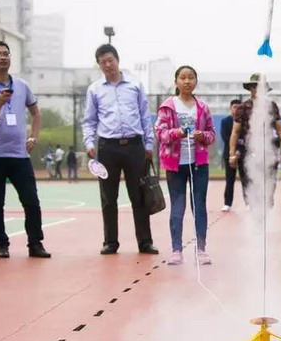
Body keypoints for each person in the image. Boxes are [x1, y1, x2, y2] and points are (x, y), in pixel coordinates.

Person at [0, 41, 50, 258]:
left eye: (5, 53)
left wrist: (33, 136)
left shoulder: (22, 86)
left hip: (19, 156)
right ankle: (1, 244)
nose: (2, 57)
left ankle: (35, 243)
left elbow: (36, 113)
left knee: (31, 201)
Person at [82, 44, 158, 255]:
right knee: (108, 197)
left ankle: (145, 242)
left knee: (139, 196)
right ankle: (110, 242)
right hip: (107, 148)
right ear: (99, 65)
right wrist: (89, 143)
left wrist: (148, 144)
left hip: (134, 146)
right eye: (102, 62)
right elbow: (88, 120)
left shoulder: (135, 85)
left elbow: (145, 116)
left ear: (117, 60)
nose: (107, 65)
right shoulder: (95, 89)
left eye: (110, 60)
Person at [155, 65, 215, 266]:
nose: (187, 81)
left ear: (196, 82)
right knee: (177, 208)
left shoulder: (203, 108)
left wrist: (202, 136)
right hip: (175, 165)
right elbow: (160, 134)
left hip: (198, 164)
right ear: (176, 82)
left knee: (199, 207)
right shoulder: (168, 106)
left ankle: (201, 249)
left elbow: (211, 135)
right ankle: (176, 249)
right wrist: (177, 133)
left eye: (191, 77)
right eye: (183, 77)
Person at [228, 73, 281, 207]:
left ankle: (267, 214)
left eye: (260, 87)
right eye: (254, 87)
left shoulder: (272, 106)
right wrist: (232, 154)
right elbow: (235, 132)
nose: (257, 90)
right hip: (248, 153)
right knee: (250, 185)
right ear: (250, 88)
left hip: (269, 151)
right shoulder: (242, 108)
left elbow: (280, 129)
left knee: (270, 184)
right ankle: (253, 215)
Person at [220, 99, 243, 212]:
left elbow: (246, 138)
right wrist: (233, 153)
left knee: (246, 179)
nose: (237, 110)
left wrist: (239, 151)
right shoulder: (225, 121)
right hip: (229, 154)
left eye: (239, 107)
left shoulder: (245, 121)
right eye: (235, 107)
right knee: (230, 179)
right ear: (230, 108)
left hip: (243, 154)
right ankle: (227, 203)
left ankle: (249, 202)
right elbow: (226, 138)